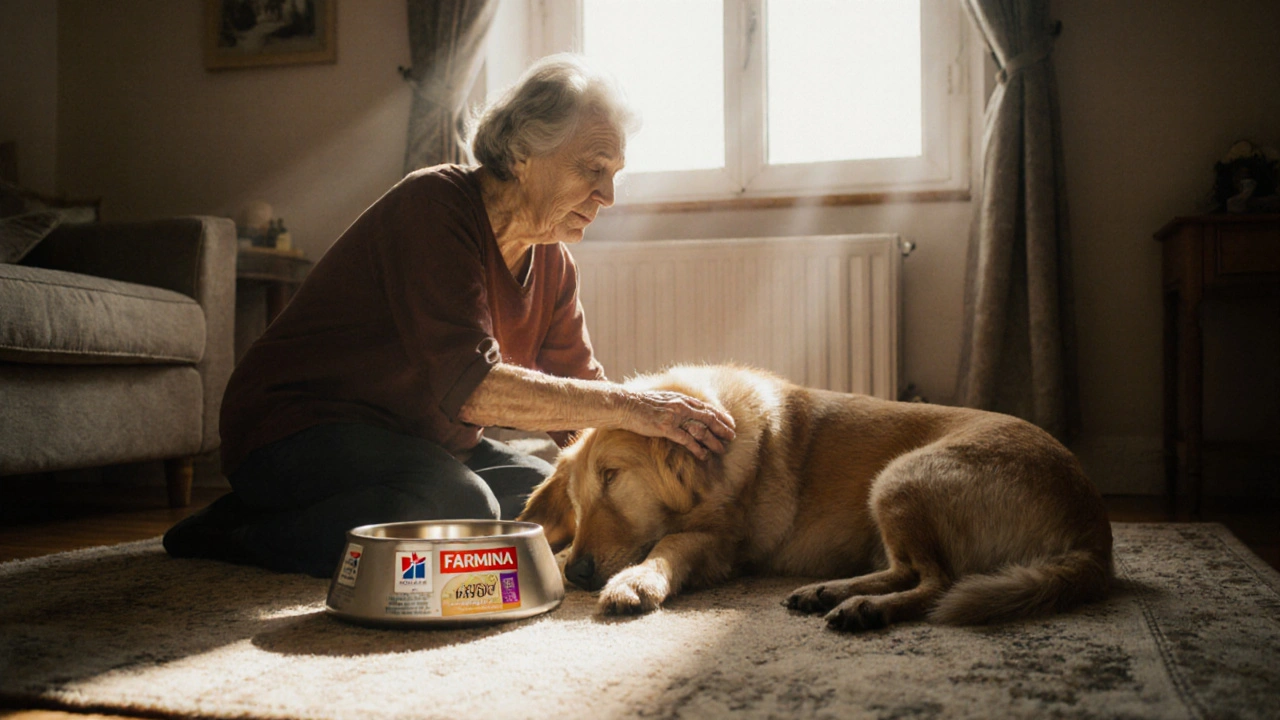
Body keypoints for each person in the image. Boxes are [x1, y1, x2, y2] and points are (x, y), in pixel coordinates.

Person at [163, 54, 736, 578]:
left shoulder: (554, 263)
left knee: (550, 498)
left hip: (415, 443)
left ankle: (313, 513)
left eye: (615, 173)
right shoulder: (434, 207)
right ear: (521, 156)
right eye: (593, 169)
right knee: (456, 505)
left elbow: (584, 403)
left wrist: (671, 449)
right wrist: (636, 406)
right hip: (293, 428)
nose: (608, 194)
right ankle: (240, 532)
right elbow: (473, 392)